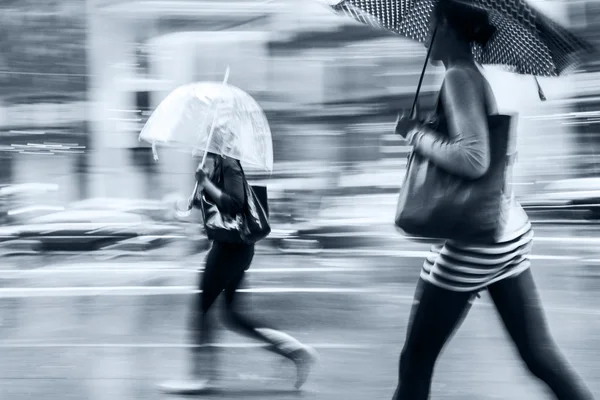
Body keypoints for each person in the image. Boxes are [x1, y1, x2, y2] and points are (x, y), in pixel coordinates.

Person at [392, 2, 595, 399]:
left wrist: (415, 134)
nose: (427, 35)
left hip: (476, 242)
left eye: (433, 25)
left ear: (448, 27)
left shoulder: (458, 78)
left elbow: (473, 159)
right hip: (505, 231)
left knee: (415, 361)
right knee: (537, 354)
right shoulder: (470, 75)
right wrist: (425, 128)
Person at [160, 152, 318, 394]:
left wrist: (205, 183)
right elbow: (217, 207)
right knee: (232, 315)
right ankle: (295, 350)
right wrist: (194, 199)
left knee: (202, 309)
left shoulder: (229, 164)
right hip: (232, 249)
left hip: (230, 250)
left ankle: (201, 377)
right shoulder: (217, 165)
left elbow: (234, 204)